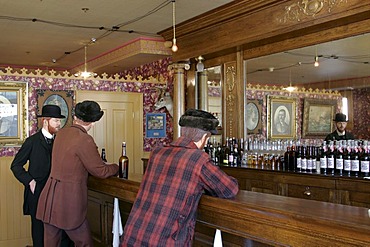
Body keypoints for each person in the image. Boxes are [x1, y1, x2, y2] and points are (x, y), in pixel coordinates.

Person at [122, 109, 239, 246]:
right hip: (165, 240)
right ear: (204, 138)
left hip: (133, 235)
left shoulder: (157, 152)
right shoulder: (198, 159)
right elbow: (229, 189)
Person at [36, 101, 119, 247]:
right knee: (84, 243)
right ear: (92, 122)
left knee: (51, 243)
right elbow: (100, 171)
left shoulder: (60, 134)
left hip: (49, 198)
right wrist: (116, 167)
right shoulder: (84, 139)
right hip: (69, 202)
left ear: (75, 116)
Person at [10, 105, 73, 247]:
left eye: (59, 121)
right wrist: (30, 181)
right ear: (45, 121)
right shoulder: (31, 142)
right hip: (37, 193)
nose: (59, 124)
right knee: (39, 233)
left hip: (58, 194)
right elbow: (16, 165)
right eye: (56, 121)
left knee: (62, 233)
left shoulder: (61, 142)